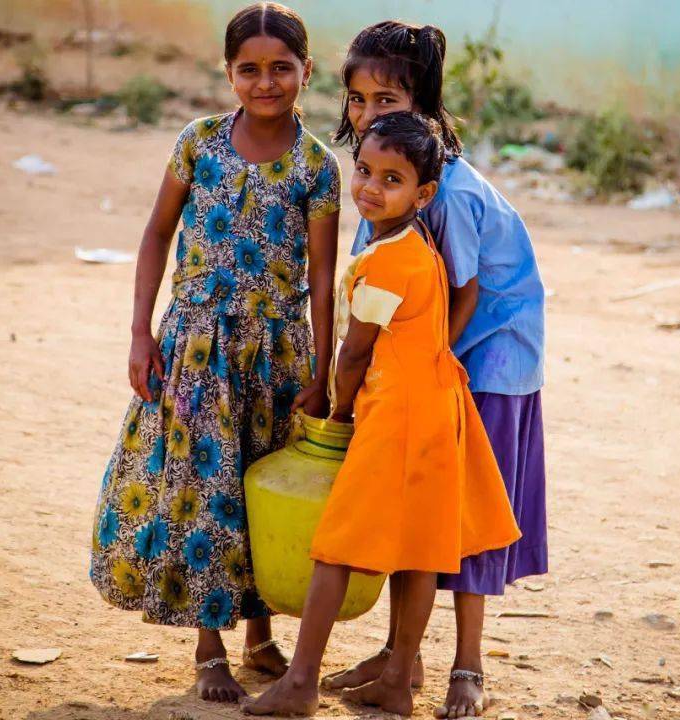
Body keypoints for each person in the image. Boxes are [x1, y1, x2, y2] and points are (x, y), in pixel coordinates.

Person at [88, 2, 341, 704]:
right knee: (205, 494)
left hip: (276, 356)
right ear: (227, 72)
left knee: (259, 488)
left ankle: (260, 639)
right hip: (197, 349)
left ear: (306, 71)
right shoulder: (197, 143)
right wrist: (141, 332)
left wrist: (321, 372)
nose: (266, 83)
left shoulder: (317, 166)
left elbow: (323, 277)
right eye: (249, 70)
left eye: (281, 69)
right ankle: (209, 649)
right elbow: (154, 236)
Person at [242, 112, 520, 718]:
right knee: (420, 550)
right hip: (437, 409)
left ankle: (301, 683)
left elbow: (354, 353)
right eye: (364, 170)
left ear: (423, 194)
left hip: (396, 415)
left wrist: (338, 412)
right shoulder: (418, 246)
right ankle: (398, 681)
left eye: (391, 179)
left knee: (336, 546)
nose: (369, 186)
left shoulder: (386, 261)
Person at [322, 22, 549, 719]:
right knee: (417, 507)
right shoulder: (388, 169)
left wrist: (427, 367)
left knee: (466, 516)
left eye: (385, 97)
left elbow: (466, 292)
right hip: (435, 363)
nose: (367, 115)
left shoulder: (443, 190)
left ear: (422, 101)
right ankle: (402, 657)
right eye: (356, 99)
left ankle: (468, 667)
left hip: (487, 359)